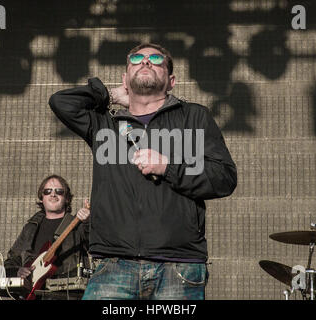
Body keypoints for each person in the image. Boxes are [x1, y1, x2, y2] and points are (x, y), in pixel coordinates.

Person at [49, 43, 237, 300]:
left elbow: (224, 178)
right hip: (112, 266)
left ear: (171, 81)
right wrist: (109, 96)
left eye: (156, 59)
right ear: (126, 79)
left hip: (178, 267)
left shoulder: (194, 117)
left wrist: (168, 168)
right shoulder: (106, 124)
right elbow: (60, 101)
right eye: (137, 58)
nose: (146, 61)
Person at [4, 174, 91, 300]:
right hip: (31, 294)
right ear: (42, 198)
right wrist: (17, 271)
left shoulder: (77, 225)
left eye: (59, 191)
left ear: (67, 198)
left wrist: (88, 222)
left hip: (66, 294)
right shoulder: (30, 228)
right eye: (47, 191)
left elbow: (96, 245)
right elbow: (11, 261)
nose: (53, 194)